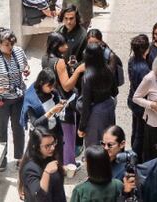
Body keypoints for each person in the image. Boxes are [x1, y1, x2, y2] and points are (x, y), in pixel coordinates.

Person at [0, 28, 31, 169]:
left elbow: (25, 64)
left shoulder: (19, 52)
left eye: (11, 44)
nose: (10, 47)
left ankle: (20, 158)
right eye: (6, 45)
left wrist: (26, 69)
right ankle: (2, 160)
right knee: (1, 128)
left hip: (18, 97)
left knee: (19, 127)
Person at [42, 31, 83, 172]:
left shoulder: (45, 58)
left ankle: (57, 162)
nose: (66, 46)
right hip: (66, 101)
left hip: (52, 101)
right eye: (63, 45)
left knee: (56, 135)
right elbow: (66, 85)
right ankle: (68, 165)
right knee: (68, 135)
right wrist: (77, 71)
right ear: (56, 46)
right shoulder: (59, 62)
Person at [78, 42, 118, 149]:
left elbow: (86, 105)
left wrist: (81, 127)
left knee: (94, 147)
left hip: (96, 113)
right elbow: (115, 91)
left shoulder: (87, 77)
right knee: (109, 143)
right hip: (109, 107)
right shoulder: (108, 69)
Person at [21, 69, 67, 161]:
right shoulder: (32, 100)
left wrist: (60, 104)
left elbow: (56, 101)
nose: (52, 89)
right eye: (49, 86)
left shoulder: (52, 92)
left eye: (53, 86)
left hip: (54, 131)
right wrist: (51, 112)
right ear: (41, 83)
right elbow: (35, 123)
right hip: (41, 136)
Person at [20, 127, 67, 202]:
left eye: (53, 143)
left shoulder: (49, 156)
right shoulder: (30, 168)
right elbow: (39, 197)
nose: (52, 148)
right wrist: (47, 173)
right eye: (47, 146)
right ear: (36, 147)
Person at [126, 35, 152, 158]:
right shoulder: (144, 69)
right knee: (140, 133)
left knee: (135, 128)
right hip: (141, 102)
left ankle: (133, 152)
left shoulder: (132, 60)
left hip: (132, 99)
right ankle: (136, 156)